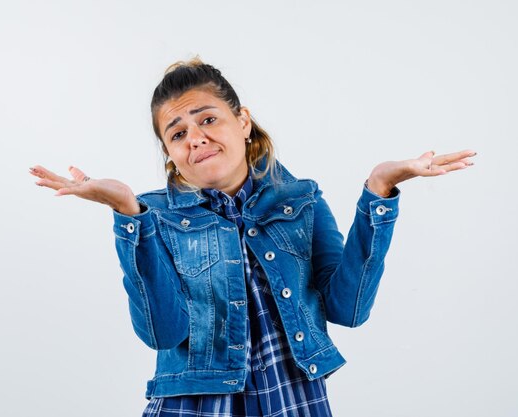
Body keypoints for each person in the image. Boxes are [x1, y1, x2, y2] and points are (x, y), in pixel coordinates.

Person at [29, 58, 475, 417]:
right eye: (178, 133)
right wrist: (129, 215)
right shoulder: (155, 216)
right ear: (169, 151)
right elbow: (163, 333)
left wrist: (379, 192)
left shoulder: (300, 200)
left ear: (242, 121)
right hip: (195, 404)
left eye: (208, 119)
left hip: (294, 399)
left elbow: (349, 308)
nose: (196, 138)